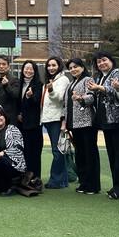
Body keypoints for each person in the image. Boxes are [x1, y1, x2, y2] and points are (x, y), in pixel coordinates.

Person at [87, 51, 119, 200]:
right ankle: (117, 186)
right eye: (98, 62)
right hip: (106, 122)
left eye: (104, 60)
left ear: (111, 60)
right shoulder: (99, 77)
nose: (101, 63)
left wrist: (101, 88)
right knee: (113, 156)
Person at [63, 58, 99, 195]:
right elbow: (66, 104)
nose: (73, 69)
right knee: (80, 155)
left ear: (83, 67)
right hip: (74, 124)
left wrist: (80, 98)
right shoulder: (71, 83)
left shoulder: (87, 80)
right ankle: (84, 183)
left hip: (87, 123)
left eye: (76, 66)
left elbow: (91, 97)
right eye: (71, 68)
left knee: (90, 154)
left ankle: (93, 185)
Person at [40, 56, 71, 189]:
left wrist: (51, 90)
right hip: (47, 119)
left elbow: (60, 99)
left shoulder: (63, 79)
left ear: (59, 66)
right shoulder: (50, 80)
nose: (51, 68)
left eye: (54, 65)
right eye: (49, 65)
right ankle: (63, 180)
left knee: (57, 151)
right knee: (58, 150)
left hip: (56, 119)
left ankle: (56, 180)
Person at [17, 60, 43, 181]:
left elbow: (37, 102)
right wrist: (19, 113)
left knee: (34, 152)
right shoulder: (20, 84)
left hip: (33, 124)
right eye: (26, 68)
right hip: (22, 123)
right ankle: (25, 177)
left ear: (35, 71)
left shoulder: (38, 84)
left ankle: (35, 178)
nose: (28, 71)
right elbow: (18, 102)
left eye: (31, 69)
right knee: (24, 151)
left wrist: (30, 96)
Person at [0, 55, 20, 124]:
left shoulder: (15, 80)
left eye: (4, 64)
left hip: (9, 118)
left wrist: (6, 85)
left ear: (8, 66)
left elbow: (15, 95)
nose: (1, 66)